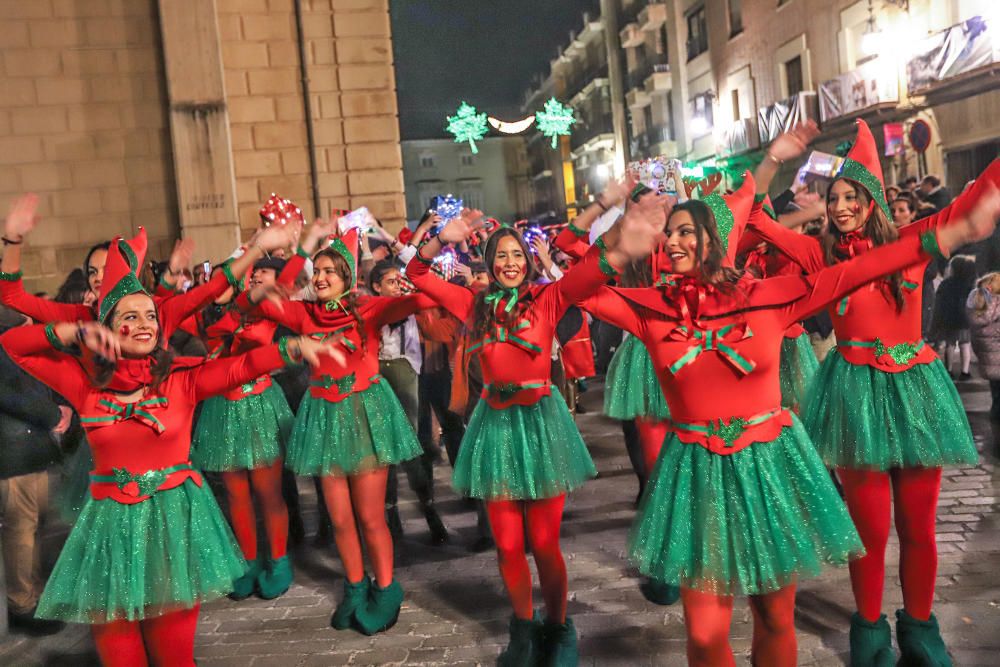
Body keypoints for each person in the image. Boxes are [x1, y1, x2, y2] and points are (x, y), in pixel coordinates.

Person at [580, 167, 1000, 667]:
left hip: (768, 468)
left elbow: (868, 266)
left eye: (684, 230)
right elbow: (573, 290)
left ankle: (914, 626)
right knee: (707, 633)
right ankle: (871, 627)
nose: (671, 241)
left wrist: (947, 234)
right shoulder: (653, 310)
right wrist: (615, 245)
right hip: (695, 472)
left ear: (715, 241)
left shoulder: (771, 297)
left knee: (777, 619)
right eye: (668, 232)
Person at [0, 230, 341, 667]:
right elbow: (12, 345)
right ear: (105, 326)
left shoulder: (180, 379)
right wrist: (72, 331)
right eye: (130, 316)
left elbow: (240, 365)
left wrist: (293, 347)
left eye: (150, 316)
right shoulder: (84, 384)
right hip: (111, 532)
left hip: (172, 527)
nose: (144, 323)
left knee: (175, 657)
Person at [746, 119, 1000, 666]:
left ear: (871, 200)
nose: (839, 206)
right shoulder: (819, 256)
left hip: (916, 395)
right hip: (854, 397)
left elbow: (979, 198)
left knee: (919, 527)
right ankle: (868, 629)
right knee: (868, 531)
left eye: (849, 196)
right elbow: (754, 219)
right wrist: (773, 161)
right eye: (832, 197)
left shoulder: (914, 240)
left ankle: (920, 628)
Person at [406, 202, 664, 666]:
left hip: (541, 425)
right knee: (507, 545)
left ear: (527, 262)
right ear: (488, 262)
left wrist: (622, 231)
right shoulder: (474, 304)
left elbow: (592, 271)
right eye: (501, 256)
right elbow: (417, 271)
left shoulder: (547, 300)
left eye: (516, 256)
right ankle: (522, 632)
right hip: (495, 427)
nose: (509, 263)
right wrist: (442, 237)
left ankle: (559, 627)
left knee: (544, 543)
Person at [236, 220, 434, 636]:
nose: (322, 278)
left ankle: (386, 587)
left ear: (347, 278)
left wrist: (419, 261)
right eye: (318, 271)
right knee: (341, 519)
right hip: (324, 417)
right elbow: (253, 303)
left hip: (364, 415)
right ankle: (355, 585)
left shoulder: (367, 308)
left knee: (369, 516)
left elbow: (415, 303)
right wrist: (277, 252)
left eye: (331, 271)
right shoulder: (303, 312)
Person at [190, 253, 302, 601]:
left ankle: (279, 561)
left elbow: (284, 283)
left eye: (226, 279)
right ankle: (248, 562)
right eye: (214, 280)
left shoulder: (256, 308)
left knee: (268, 492)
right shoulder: (200, 318)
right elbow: (165, 309)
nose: (217, 286)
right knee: (236, 494)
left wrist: (299, 249)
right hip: (221, 410)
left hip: (259, 405)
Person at [0, 306, 71, 636]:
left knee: (35, 527)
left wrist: (62, 406)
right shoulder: (7, 334)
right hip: (15, 451)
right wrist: (51, 413)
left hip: (31, 449)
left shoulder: (17, 331)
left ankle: (33, 596)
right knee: (22, 530)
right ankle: (22, 604)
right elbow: (11, 394)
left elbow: (41, 378)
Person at [368, 260, 449, 545]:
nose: (397, 286)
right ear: (376, 286)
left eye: (398, 281)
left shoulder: (410, 304)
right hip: (377, 373)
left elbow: (433, 295)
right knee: (382, 449)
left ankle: (429, 509)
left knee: (408, 445)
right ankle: (391, 515)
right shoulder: (370, 308)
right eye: (390, 281)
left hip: (404, 371)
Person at [968, 272, 1000, 449]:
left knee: (996, 396)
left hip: (989, 360)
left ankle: (995, 434)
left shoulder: (977, 302)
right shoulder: (996, 305)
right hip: (997, 358)